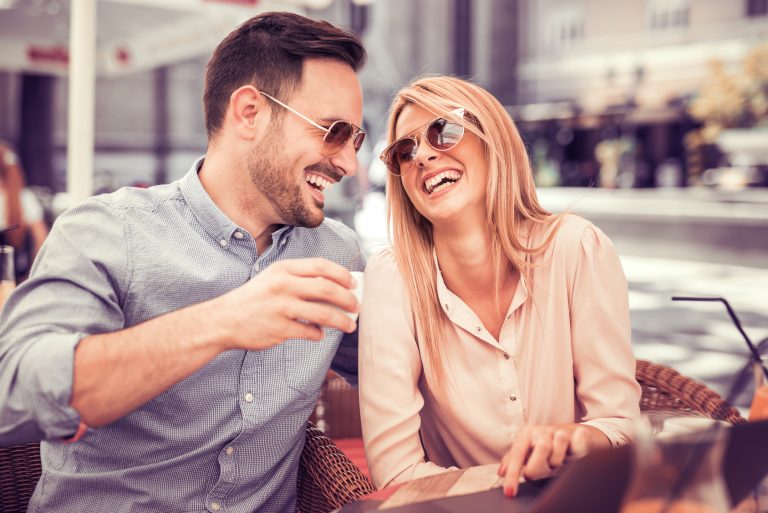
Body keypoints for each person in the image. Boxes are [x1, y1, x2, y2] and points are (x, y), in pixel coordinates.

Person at [0, 12, 367, 513]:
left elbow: (418, 372)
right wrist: (221, 321)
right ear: (250, 112)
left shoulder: (337, 253)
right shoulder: (108, 231)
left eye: (356, 139)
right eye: (334, 131)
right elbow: (13, 395)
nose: (348, 162)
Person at [358, 76, 642, 497]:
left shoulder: (577, 248)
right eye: (405, 150)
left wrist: (580, 442)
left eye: (444, 130)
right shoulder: (392, 279)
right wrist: (521, 484)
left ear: (492, 139)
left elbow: (620, 424)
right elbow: (396, 473)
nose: (424, 156)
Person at [0, 141, 49, 279]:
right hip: (15, 278)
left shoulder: (24, 199)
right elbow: (42, 241)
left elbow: (41, 240)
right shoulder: (26, 199)